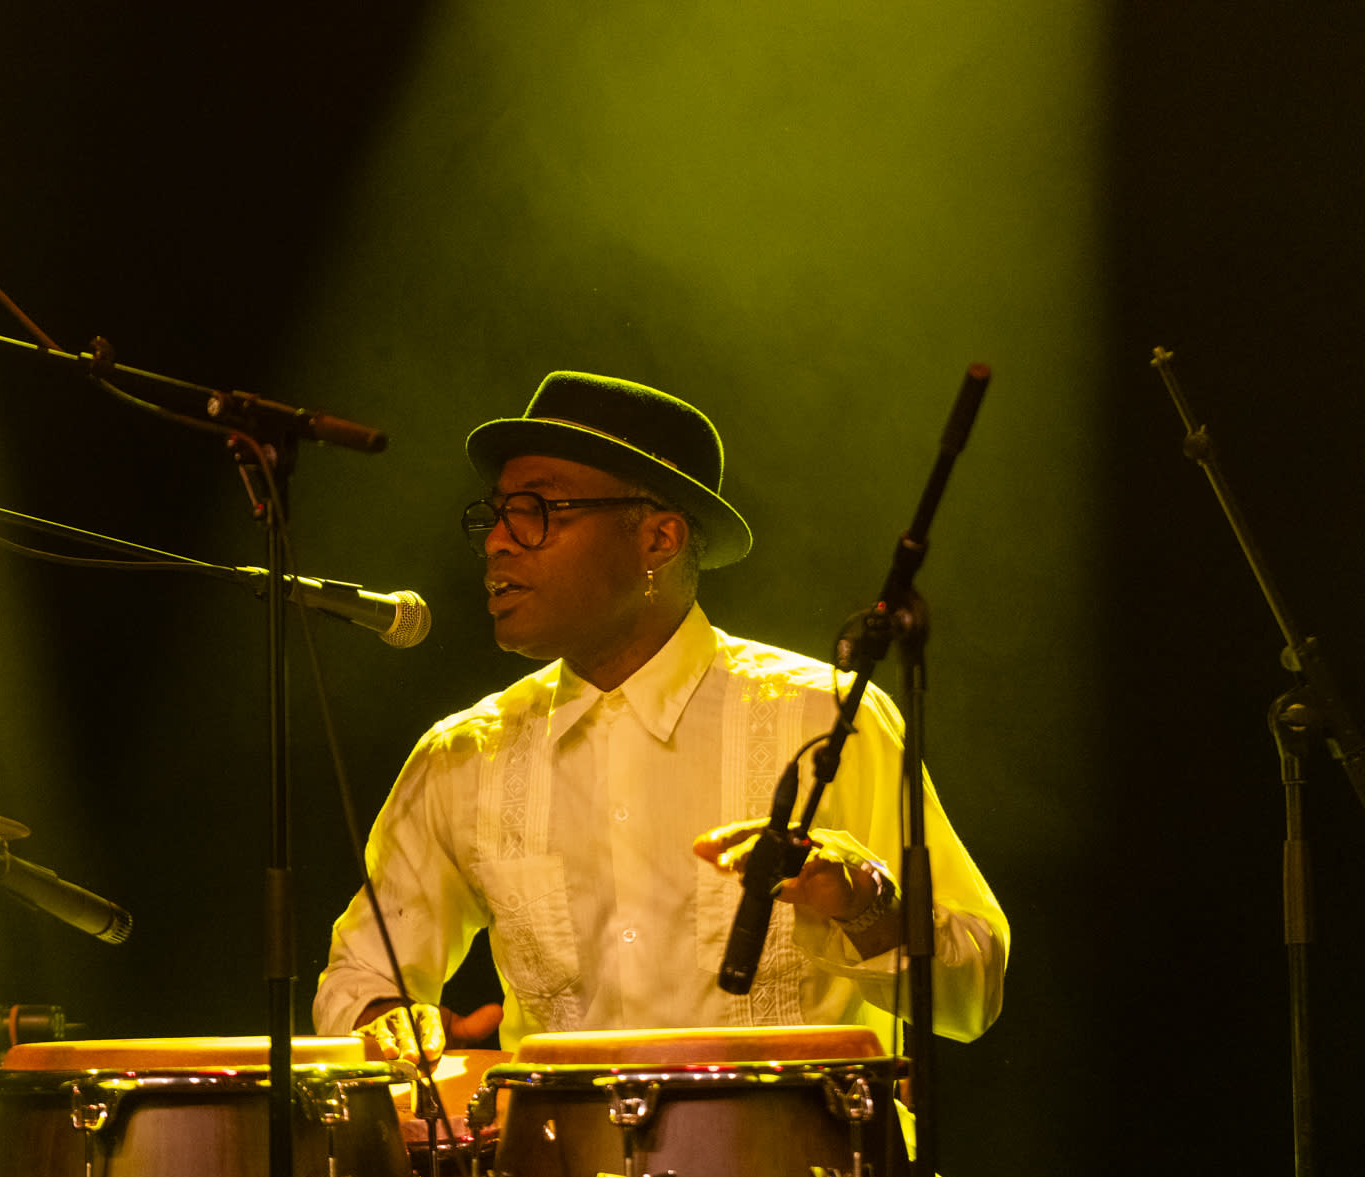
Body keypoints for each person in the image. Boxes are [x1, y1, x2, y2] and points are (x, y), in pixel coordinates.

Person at [312, 371, 1007, 1063]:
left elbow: (972, 993)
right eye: (494, 515)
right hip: (558, 1142)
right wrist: (391, 1025)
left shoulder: (823, 717)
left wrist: (866, 905)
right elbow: (361, 979)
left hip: (796, 1139)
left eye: (535, 510)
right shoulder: (465, 754)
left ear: (659, 539)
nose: (497, 540)